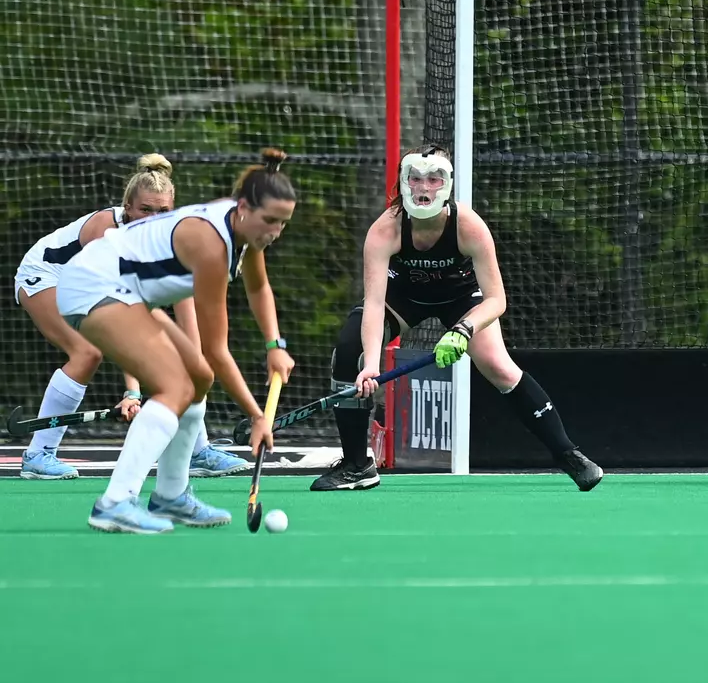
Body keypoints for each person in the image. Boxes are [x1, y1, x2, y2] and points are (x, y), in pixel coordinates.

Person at [311, 145, 602, 491]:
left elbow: (497, 300)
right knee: (348, 350)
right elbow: (374, 305)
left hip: (462, 299)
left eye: (434, 179)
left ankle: (568, 454)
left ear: (448, 184)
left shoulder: (469, 226)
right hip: (403, 298)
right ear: (403, 182)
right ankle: (357, 465)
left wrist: (463, 329)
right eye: (415, 179)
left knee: (498, 366)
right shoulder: (384, 230)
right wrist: (371, 365)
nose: (423, 188)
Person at [54, 150, 298, 534]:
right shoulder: (211, 246)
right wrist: (256, 416)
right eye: (269, 221)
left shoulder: (244, 229)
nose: (274, 232)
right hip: (95, 285)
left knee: (198, 378)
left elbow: (258, 286)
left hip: (129, 293)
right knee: (175, 385)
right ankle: (114, 503)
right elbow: (218, 351)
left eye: (283, 224)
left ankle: (171, 495)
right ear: (245, 207)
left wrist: (274, 346)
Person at [12, 154, 249, 479]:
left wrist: (197, 368)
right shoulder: (107, 231)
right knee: (87, 351)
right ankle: (38, 455)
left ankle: (196, 451)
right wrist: (133, 392)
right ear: (127, 207)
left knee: (189, 365)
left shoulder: (180, 238)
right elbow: (121, 322)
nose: (152, 218)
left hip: (96, 293)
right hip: (46, 275)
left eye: (162, 211)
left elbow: (185, 311)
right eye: (144, 210)